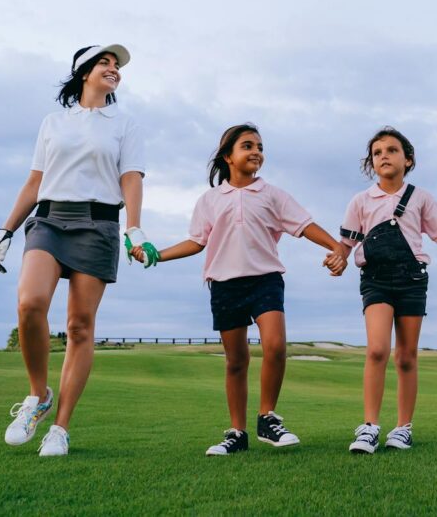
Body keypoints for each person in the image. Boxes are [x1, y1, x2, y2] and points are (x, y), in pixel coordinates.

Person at [130, 123, 348, 456]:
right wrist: (157, 255)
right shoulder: (209, 200)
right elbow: (196, 241)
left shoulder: (273, 194)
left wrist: (336, 247)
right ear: (227, 156)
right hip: (224, 284)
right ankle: (237, 433)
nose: (256, 152)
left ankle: (267, 418)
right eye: (248, 146)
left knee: (275, 346)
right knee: (236, 361)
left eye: (260, 147)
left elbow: (305, 226)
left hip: (265, 279)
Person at [0, 44, 154, 456]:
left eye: (116, 65)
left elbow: (131, 178)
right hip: (49, 219)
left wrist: (134, 228)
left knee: (80, 326)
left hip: (99, 224)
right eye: (105, 62)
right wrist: (7, 229)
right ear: (84, 72)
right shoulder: (53, 122)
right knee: (30, 303)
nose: (113, 69)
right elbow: (35, 181)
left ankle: (60, 428)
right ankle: (37, 396)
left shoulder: (125, 123)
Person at [340, 127, 437, 454]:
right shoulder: (360, 201)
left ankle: (403, 428)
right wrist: (337, 258)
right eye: (377, 153)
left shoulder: (421, 198)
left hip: (412, 280)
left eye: (392, 150)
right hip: (375, 279)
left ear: (408, 160)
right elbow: (346, 244)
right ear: (371, 163)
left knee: (406, 356)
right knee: (377, 350)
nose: (384, 156)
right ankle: (369, 427)